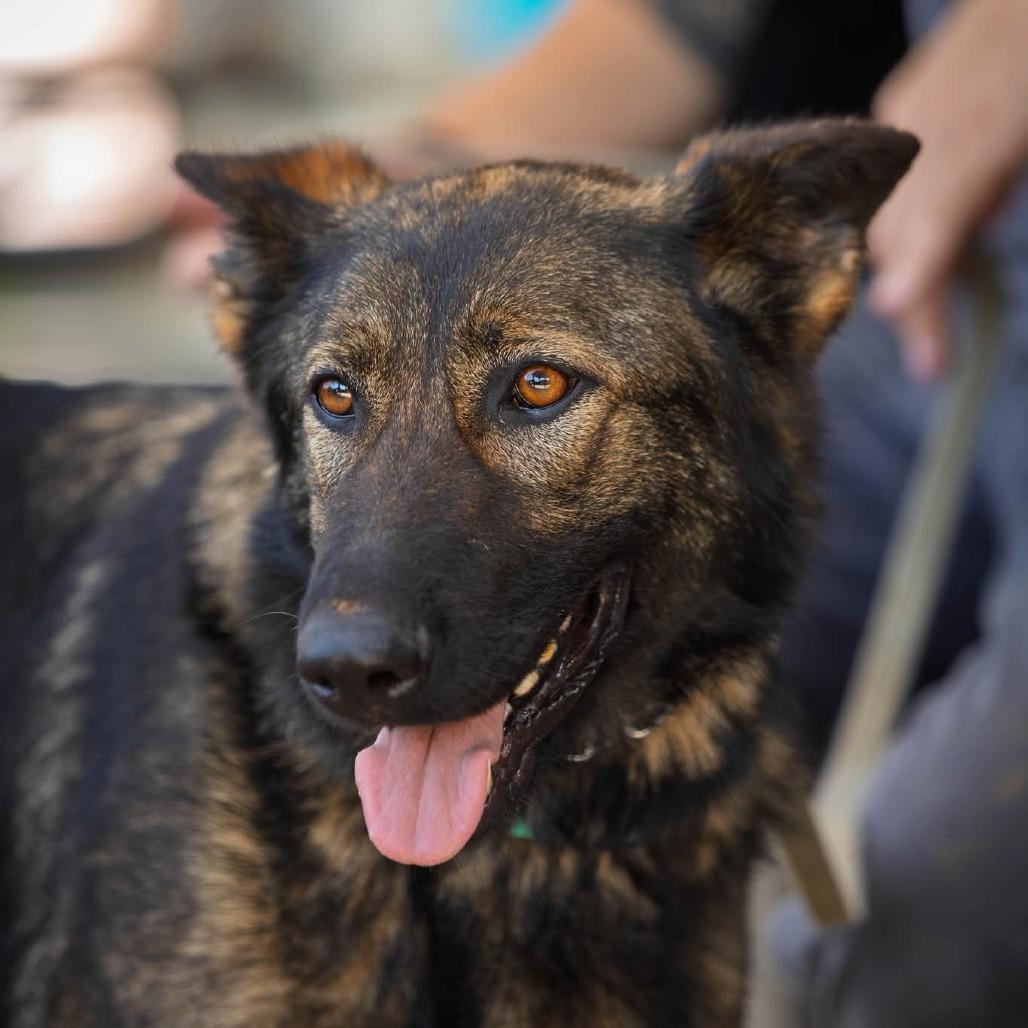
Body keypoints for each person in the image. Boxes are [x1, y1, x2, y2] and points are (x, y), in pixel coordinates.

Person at [379, 1, 1028, 1025]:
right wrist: (419, 175)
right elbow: (692, 17)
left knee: (912, 916)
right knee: (587, 752)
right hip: (927, 289)